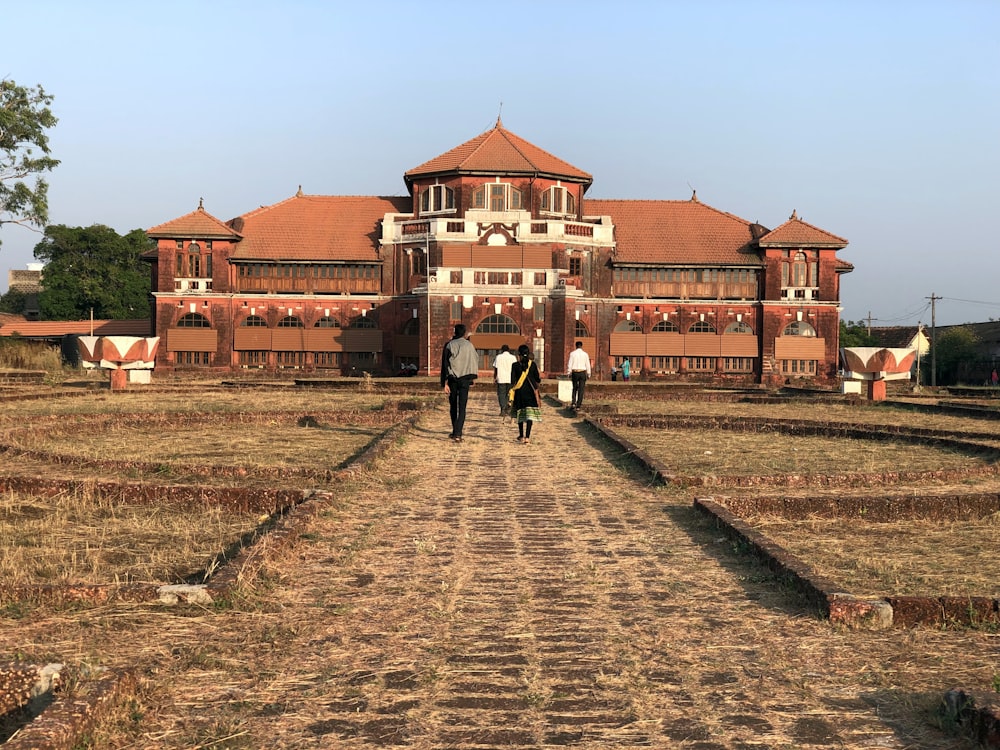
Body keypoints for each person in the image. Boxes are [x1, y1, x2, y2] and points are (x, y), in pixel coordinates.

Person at [440, 323, 478, 442]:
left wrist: (444, 383)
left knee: (453, 406)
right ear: (464, 333)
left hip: (453, 379)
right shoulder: (470, 345)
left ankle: (455, 430)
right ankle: (458, 433)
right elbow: (474, 359)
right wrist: (472, 377)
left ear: (455, 331)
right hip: (465, 379)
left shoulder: (450, 345)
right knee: (462, 407)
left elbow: (445, 365)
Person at [509, 344, 542, 444]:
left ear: (519, 354)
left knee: (520, 414)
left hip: (519, 393)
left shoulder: (515, 365)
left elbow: (512, 380)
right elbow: (537, 379)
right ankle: (527, 437)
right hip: (531, 393)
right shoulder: (533, 365)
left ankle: (521, 435)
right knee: (529, 416)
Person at [491, 344, 518, 418]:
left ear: (502, 350)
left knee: (501, 394)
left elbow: (496, 368)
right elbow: (516, 369)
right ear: (509, 350)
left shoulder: (498, 357)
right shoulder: (513, 358)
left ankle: (503, 408)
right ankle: (508, 407)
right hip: (510, 378)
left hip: (501, 378)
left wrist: (495, 377)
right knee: (509, 394)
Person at [566, 341, 592, 410]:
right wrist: (589, 373)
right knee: (581, 389)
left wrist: (569, 372)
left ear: (576, 346)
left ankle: (574, 402)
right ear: (581, 346)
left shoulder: (572, 354)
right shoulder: (585, 354)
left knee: (574, 387)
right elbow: (587, 364)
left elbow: (570, 363)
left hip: (575, 372)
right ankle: (578, 405)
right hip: (582, 372)